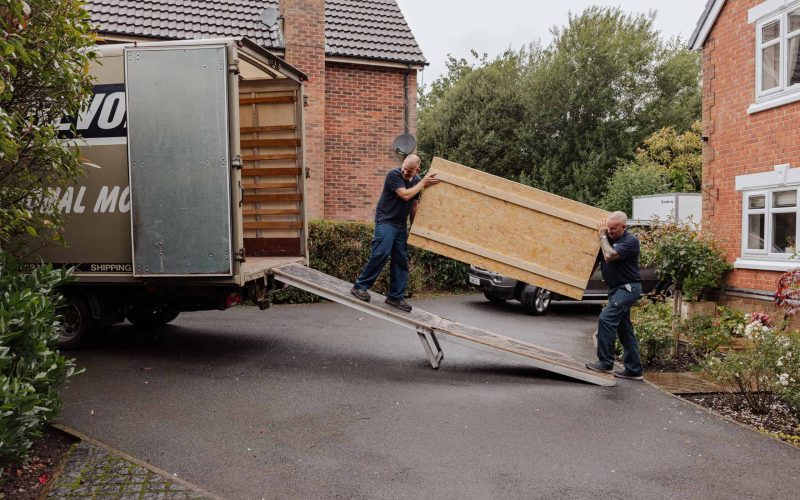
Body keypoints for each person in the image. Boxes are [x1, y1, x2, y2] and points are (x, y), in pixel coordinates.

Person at [350, 154, 440, 312]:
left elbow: (413, 206)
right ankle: (360, 286)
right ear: (403, 164)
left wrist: (413, 229)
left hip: (400, 225)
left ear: (417, 169)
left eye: (410, 171)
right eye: (405, 168)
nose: (405, 172)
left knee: (401, 260)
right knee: (381, 252)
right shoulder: (393, 175)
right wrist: (424, 182)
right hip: (385, 220)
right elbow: (405, 195)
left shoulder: (418, 181)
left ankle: (395, 297)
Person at [585, 211, 644, 381]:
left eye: (614, 229)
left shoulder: (630, 241)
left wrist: (602, 235)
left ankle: (605, 362)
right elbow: (595, 263)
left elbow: (609, 255)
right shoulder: (607, 240)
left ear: (624, 227)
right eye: (608, 228)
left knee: (606, 319)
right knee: (624, 330)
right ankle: (634, 370)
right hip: (616, 289)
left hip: (628, 288)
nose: (610, 231)